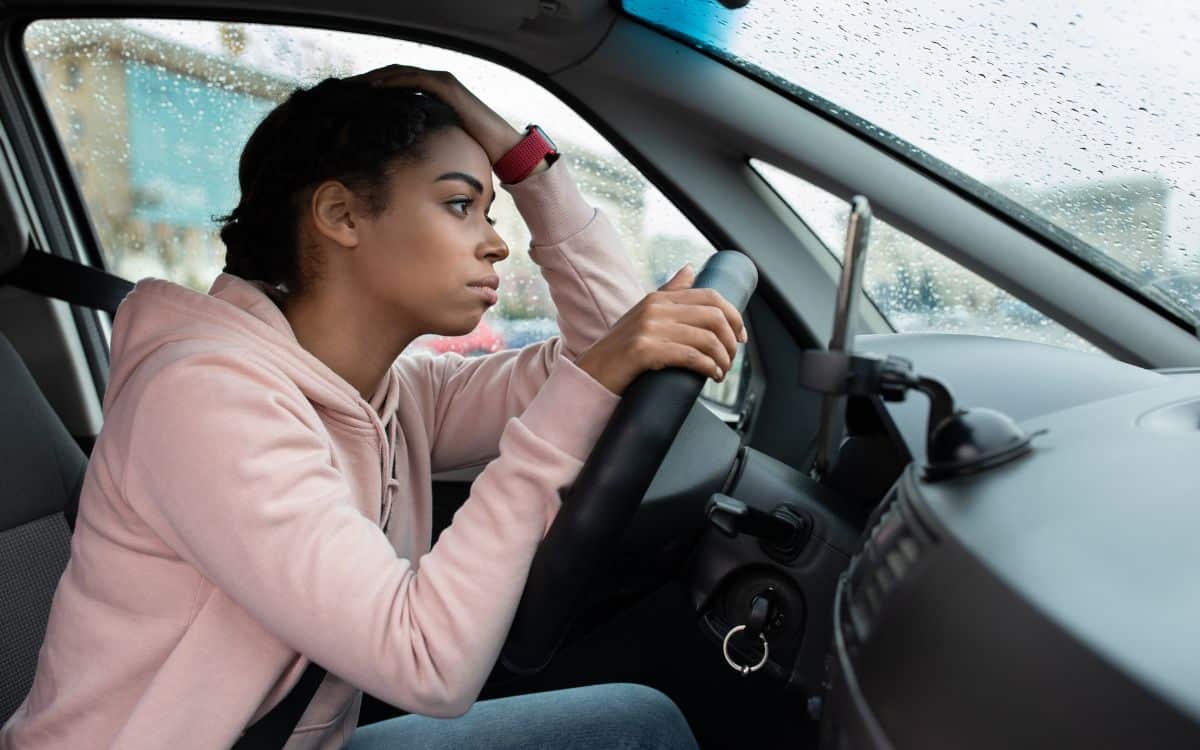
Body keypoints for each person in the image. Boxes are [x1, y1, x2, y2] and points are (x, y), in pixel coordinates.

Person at [0, 65, 746, 749]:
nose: (497, 245)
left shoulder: (398, 392)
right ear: (341, 215)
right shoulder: (202, 400)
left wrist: (521, 159)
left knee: (637, 724)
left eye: (492, 210)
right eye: (461, 204)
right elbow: (428, 662)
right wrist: (581, 397)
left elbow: (619, 347)